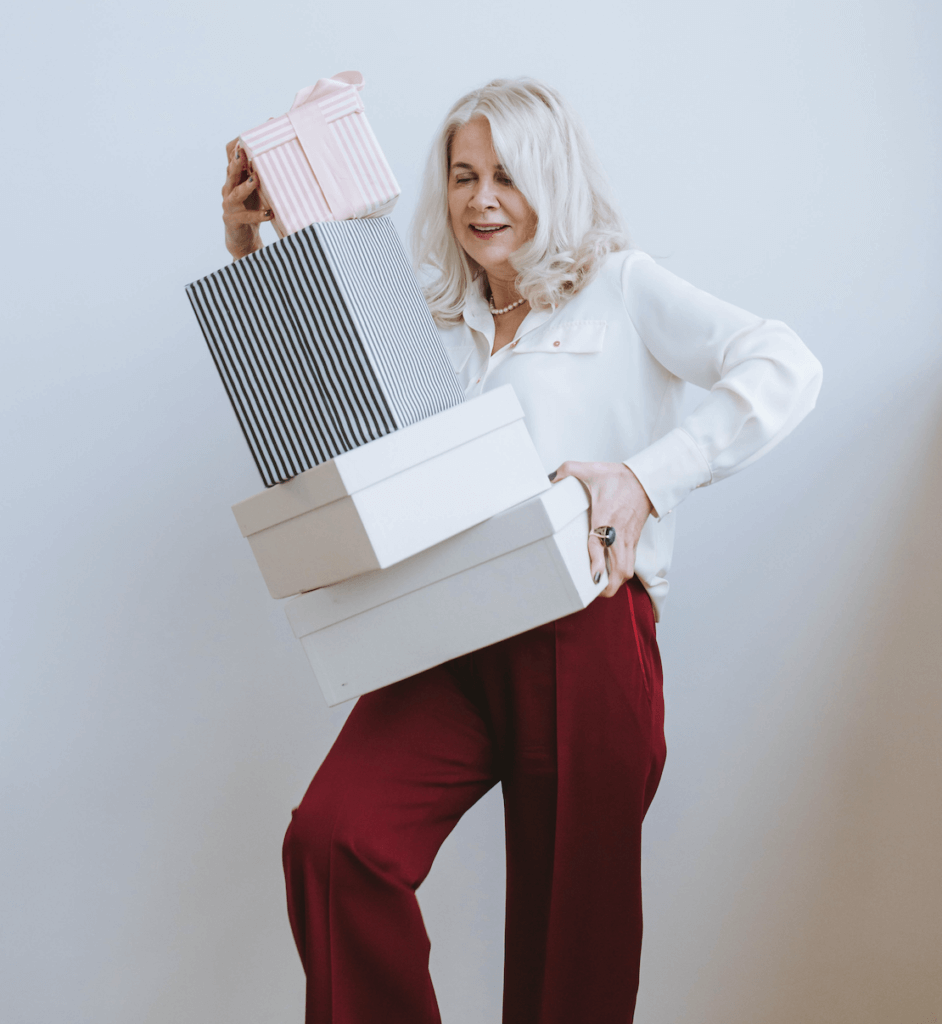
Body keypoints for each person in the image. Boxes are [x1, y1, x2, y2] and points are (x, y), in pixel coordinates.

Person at [222, 78, 823, 1024]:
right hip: (446, 630)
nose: (481, 198)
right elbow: (325, 418)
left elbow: (786, 364)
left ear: (555, 183)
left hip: (581, 631)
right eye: (463, 176)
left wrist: (647, 476)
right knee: (336, 843)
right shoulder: (431, 323)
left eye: (508, 174)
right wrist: (252, 247)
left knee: (566, 946)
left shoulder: (622, 289)